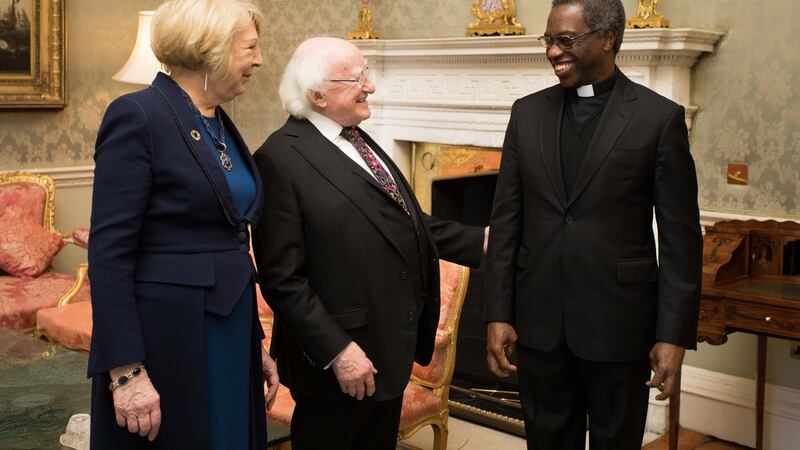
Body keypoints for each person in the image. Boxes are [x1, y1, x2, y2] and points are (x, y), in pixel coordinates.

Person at [484, 0, 702, 448]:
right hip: (539, 327)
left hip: (620, 328)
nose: (552, 52)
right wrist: (498, 313)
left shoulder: (658, 120)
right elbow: (505, 222)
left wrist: (673, 335)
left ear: (608, 38)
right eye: (548, 40)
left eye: (566, 40)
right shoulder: (526, 114)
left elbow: (681, 240)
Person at [252, 37, 487, 450]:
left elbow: (403, 222)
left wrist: (483, 241)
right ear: (317, 94)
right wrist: (339, 351)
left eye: (367, 73)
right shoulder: (279, 158)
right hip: (339, 365)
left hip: (387, 353)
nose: (371, 85)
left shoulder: (358, 138)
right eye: (358, 77)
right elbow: (282, 279)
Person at [87, 1, 278, 448]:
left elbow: (228, 238)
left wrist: (255, 343)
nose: (259, 59)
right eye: (250, 47)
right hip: (170, 335)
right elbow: (109, 254)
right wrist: (126, 371)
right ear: (208, 48)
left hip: (228, 328)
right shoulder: (138, 115)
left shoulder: (216, 121)